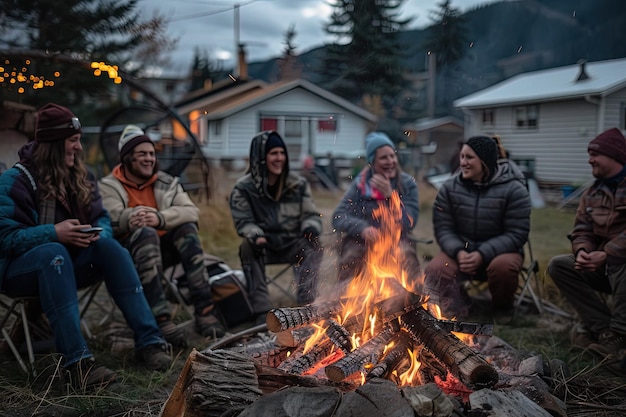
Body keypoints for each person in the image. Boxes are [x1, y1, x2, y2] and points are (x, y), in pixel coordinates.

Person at [0, 104, 172, 390]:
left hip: (69, 263)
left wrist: (96, 234)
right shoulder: (13, 182)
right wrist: (54, 233)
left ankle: (150, 341)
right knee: (52, 254)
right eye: (73, 141)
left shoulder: (81, 176)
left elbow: (101, 218)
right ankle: (77, 364)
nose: (79, 147)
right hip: (20, 271)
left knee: (111, 248)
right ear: (54, 144)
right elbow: (6, 240)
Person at [99, 125, 225, 343]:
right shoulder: (109, 185)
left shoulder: (166, 182)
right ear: (127, 158)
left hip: (166, 251)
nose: (149, 159)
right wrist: (131, 217)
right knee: (146, 233)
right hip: (128, 256)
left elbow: (191, 211)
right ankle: (162, 318)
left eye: (151, 154)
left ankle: (205, 311)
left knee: (187, 231)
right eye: (142, 154)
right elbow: (110, 218)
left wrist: (160, 218)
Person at [423, 135, 531, 319]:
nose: (463, 162)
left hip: (500, 253)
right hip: (461, 253)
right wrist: (459, 251)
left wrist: (482, 254)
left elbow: (517, 233)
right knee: (435, 269)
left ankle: (503, 310)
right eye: (462, 157)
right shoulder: (450, 188)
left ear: (485, 161)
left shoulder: (514, 189)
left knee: (503, 268)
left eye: (469, 158)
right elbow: (443, 228)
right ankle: (462, 304)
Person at [547, 128, 626, 366]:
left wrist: (607, 253)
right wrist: (582, 252)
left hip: (618, 263)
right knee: (559, 266)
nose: (590, 159)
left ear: (615, 157)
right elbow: (582, 229)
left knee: (623, 262)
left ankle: (621, 336)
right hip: (602, 265)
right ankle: (604, 331)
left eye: (595, 154)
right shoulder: (592, 193)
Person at [229, 131, 323, 321]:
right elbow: (243, 221)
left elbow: (311, 214)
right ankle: (261, 312)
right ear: (260, 158)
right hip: (264, 245)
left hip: (292, 244)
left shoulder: (298, 184)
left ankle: (307, 305)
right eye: (273, 153)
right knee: (247, 247)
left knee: (314, 244)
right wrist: (256, 235)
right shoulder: (243, 188)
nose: (279, 158)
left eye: (282, 153)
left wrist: (310, 228)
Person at [332, 131, 421, 284]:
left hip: (397, 240)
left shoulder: (407, 184)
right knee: (351, 257)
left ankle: (411, 303)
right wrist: (362, 229)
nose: (391, 161)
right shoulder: (360, 185)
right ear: (372, 161)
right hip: (362, 241)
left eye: (392, 156)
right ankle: (345, 303)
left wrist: (391, 196)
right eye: (383, 157)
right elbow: (338, 216)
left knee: (406, 258)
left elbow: (409, 222)